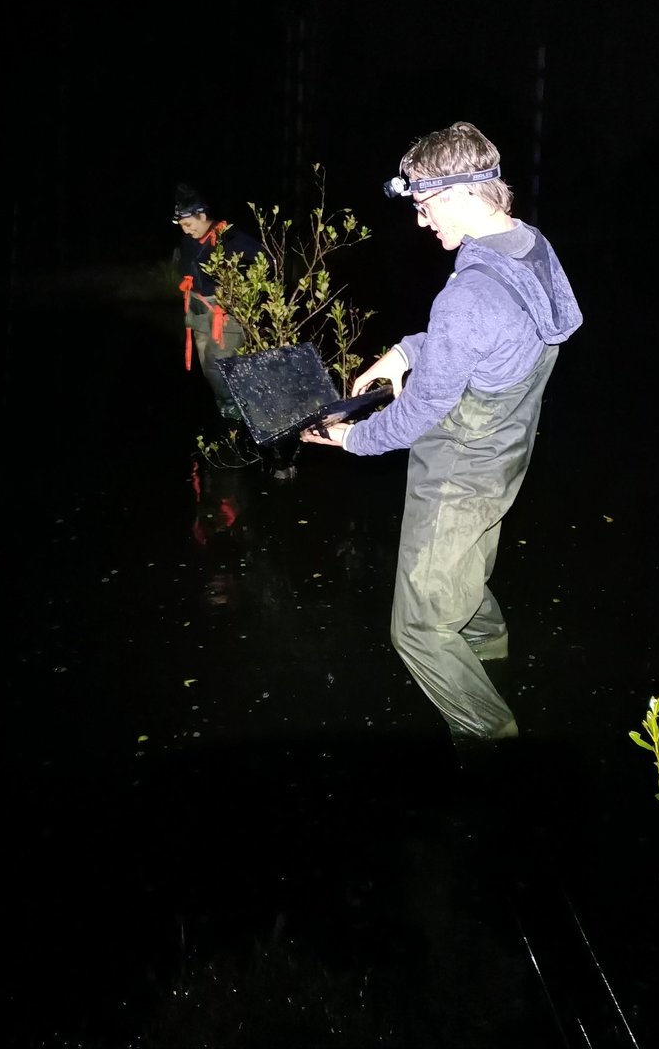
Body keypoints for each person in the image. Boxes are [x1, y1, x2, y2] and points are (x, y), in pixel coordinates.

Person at [300, 121, 583, 744]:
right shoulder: (529, 246)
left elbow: (420, 411)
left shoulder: (467, 296)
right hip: (508, 451)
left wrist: (352, 440)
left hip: (460, 469)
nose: (423, 223)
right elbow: (497, 337)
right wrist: (403, 352)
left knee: (420, 630)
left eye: (426, 206)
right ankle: (492, 654)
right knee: (466, 565)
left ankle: (493, 742)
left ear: (460, 195)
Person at [172, 182, 260, 421]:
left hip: (225, 311)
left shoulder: (227, 235)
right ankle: (226, 409)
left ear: (202, 215)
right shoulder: (188, 241)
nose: (186, 230)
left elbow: (266, 260)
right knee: (207, 363)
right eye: (182, 226)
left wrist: (244, 290)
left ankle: (241, 412)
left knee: (222, 363)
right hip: (198, 307)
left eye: (189, 224)